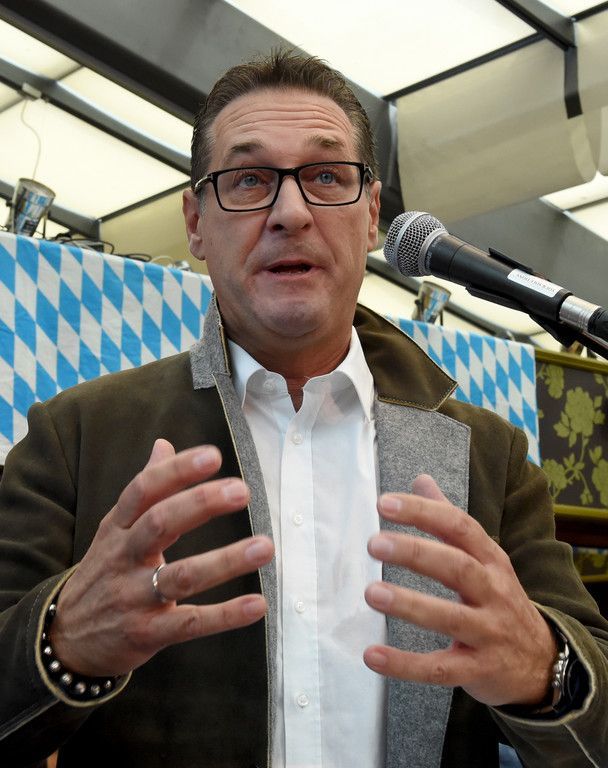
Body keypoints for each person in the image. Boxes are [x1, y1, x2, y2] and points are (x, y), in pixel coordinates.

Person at [0, 49, 607, 768]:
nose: (291, 213)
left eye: (326, 177)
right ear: (195, 224)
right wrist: (60, 642)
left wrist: (544, 668)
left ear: (372, 214)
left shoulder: (488, 458)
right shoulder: (77, 438)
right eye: (249, 180)